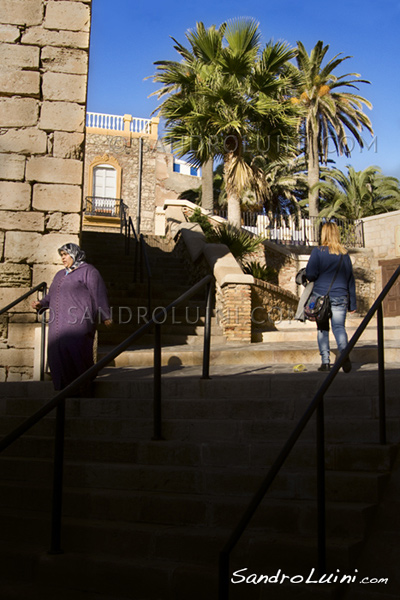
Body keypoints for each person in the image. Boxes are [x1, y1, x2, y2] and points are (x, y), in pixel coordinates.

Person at [32, 243, 112, 392]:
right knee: (56, 353)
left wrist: (105, 315)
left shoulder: (89, 272)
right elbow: (50, 296)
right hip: (58, 323)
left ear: (75, 254)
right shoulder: (59, 275)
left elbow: (99, 293)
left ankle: (83, 386)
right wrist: (41, 303)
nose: (62, 258)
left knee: (77, 351)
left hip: (79, 321)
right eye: (61, 255)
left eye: (65, 255)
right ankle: (62, 389)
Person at [305, 222, 356, 372]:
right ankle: (344, 355)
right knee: (339, 327)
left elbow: (310, 274)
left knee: (322, 329)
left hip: (321, 295)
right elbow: (350, 279)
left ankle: (325, 362)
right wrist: (352, 303)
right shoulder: (344, 254)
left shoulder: (318, 252)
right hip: (340, 295)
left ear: (324, 234)